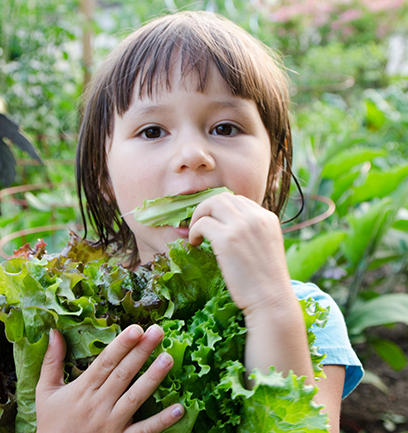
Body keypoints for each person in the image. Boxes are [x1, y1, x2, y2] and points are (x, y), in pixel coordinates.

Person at [35, 11, 363, 433]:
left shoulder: (305, 315)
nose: (193, 154)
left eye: (225, 127)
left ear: (276, 166)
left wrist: (269, 306)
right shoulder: (66, 319)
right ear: (104, 178)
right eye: (153, 131)